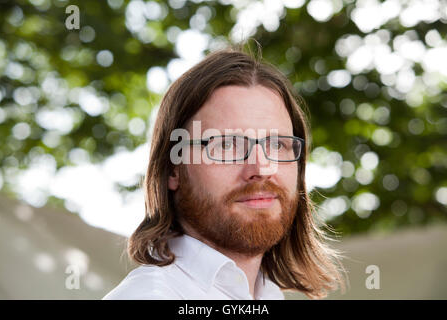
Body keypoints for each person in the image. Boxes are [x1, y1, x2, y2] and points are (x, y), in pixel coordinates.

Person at [103, 47, 345, 300]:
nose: (262, 169)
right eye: (227, 145)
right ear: (172, 170)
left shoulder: (267, 295)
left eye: (277, 144)